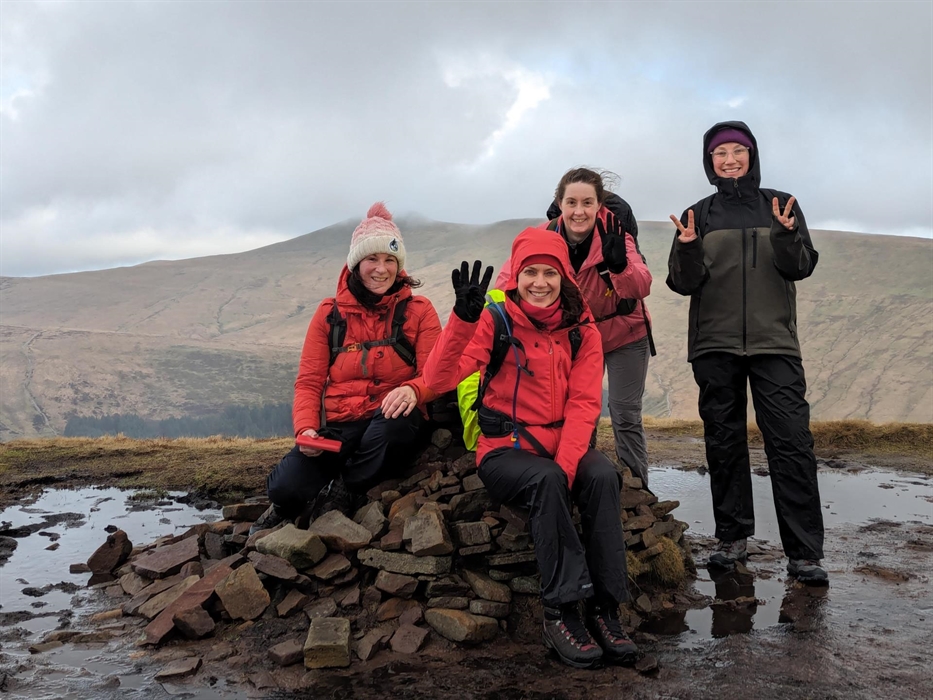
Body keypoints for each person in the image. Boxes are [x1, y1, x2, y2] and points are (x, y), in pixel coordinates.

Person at [423, 230, 639, 669]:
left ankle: (606, 608)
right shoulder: (495, 320)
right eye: (529, 273)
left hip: (562, 443)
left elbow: (583, 405)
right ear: (516, 276)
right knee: (546, 480)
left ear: (563, 278)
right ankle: (561, 612)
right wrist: (463, 320)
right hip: (504, 450)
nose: (539, 282)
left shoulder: (582, 329)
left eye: (549, 273)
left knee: (601, 477)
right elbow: (442, 378)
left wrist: (566, 466)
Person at [666, 121, 827, 584]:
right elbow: (682, 282)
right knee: (724, 442)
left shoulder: (781, 205)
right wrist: (689, 247)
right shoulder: (698, 213)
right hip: (714, 344)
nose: (729, 159)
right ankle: (732, 540)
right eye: (720, 153)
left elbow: (801, 267)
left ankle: (804, 554)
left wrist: (786, 234)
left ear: (752, 156)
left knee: (792, 443)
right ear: (709, 161)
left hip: (774, 342)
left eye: (738, 151)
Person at [251, 203, 442, 534]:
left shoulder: (419, 311)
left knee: (392, 428)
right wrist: (307, 430)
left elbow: (436, 375)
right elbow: (309, 382)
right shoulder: (329, 314)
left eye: (390, 260)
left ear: (399, 266)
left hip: (391, 417)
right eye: (372, 259)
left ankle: (345, 488)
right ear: (356, 264)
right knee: (284, 487)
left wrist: (413, 390)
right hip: (340, 427)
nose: (381, 269)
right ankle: (286, 505)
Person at [496, 168, 654, 485]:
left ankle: (638, 490)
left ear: (599, 205)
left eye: (587, 203)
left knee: (625, 415)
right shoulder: (542, 237)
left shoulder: (616, 234)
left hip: (625, 333)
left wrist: (619, 265)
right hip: (576, 339)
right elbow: (508, 282)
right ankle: (585, 481)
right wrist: (489, 312)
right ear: (560, 202)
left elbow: (640, 287)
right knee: (580, 415)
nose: (578, 211)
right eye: (571, 202)